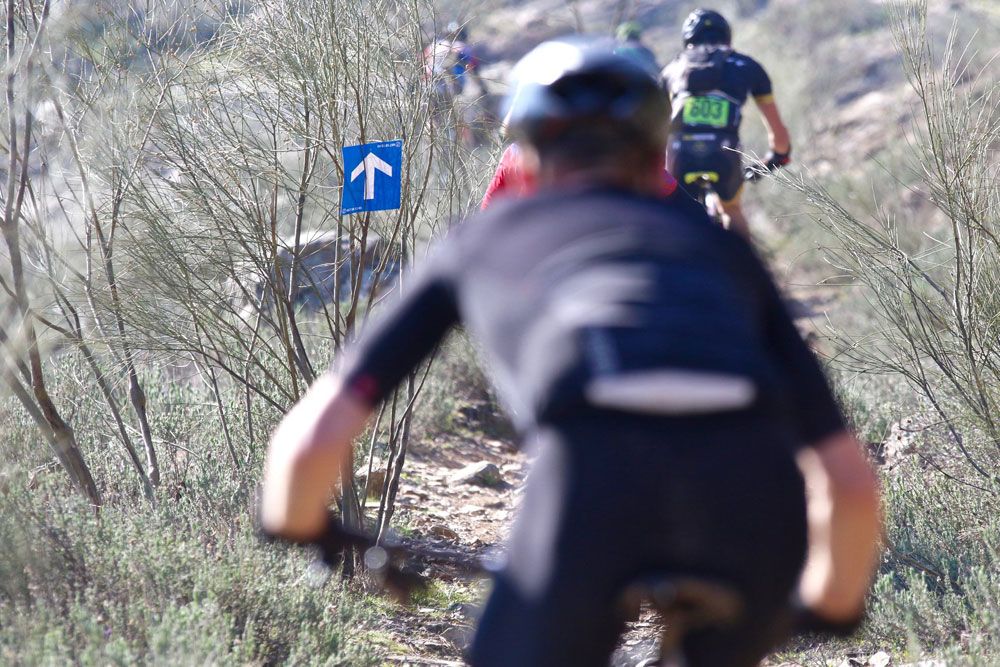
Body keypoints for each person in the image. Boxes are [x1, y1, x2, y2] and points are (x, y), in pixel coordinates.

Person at [261, 37, 881, 667]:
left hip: (594, 479)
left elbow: (310, 441)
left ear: (524, 156)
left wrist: (306, 527)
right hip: (750, 501)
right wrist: (830, 607)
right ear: (652, 156)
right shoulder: (721, 252)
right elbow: (849, 483)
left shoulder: (482, 240)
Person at [661, 9, 792, 239]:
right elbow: (779, 137)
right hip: (724, 154)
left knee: (675, 217)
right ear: (726, 37)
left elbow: (652, 129)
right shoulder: (746, 66)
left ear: (688, 40)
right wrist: (777, 157)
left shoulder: (672, 70)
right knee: (731, 209)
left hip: (679, 155)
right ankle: (742, 271)